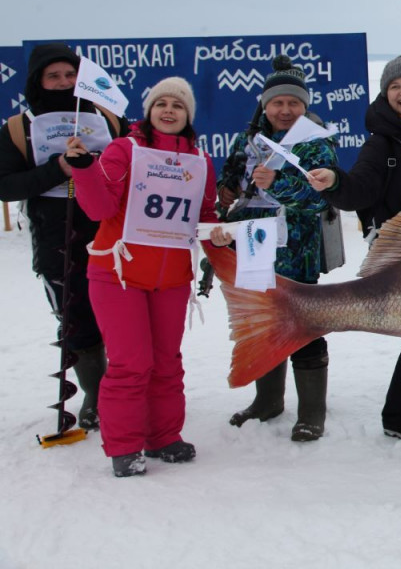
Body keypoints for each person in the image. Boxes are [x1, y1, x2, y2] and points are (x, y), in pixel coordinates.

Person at [67, 78, 226, 477]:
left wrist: (219, 237)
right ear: (150, 110)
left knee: (166, 362)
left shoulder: (198, 160)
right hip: (117, 273)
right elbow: (99, 208)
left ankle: (164, 437)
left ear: (188, 115)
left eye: (178, 105)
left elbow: (204, 217)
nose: (169, 110)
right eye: (162, 103)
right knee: (130, 363)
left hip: (171, 278)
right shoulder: (126, 149)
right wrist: (84, 169)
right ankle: (124, 447)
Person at [308, 55, 401, 442]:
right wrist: (335, 182)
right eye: (395, 87)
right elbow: (361, 186)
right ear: (384, 95)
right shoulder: (382, 142)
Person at [0, 43, 127, 433]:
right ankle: (94, 391)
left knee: (120, 318)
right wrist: (59, 168)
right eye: (53, 76)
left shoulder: (107, 117)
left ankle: (124, 392)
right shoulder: (18, 128)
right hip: (56, 238)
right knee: (76, 321)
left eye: (70, 75)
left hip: (109, 236)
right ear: (37, 81)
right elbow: (6, 187)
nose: (64, 82)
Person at [219, 56, 338, 442]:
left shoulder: (316, 141)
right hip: (254, 247)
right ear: (265, 104)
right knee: (263, 323)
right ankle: (267, 401)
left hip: (299, 250)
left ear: (304, 106)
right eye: (278, 103)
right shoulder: (246, 140)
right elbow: (230, 183)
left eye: (294, 103)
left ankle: (311, 413)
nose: (285, 110)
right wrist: (225, 197)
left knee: (302, 326)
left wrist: (277, 183)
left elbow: (319, 198)